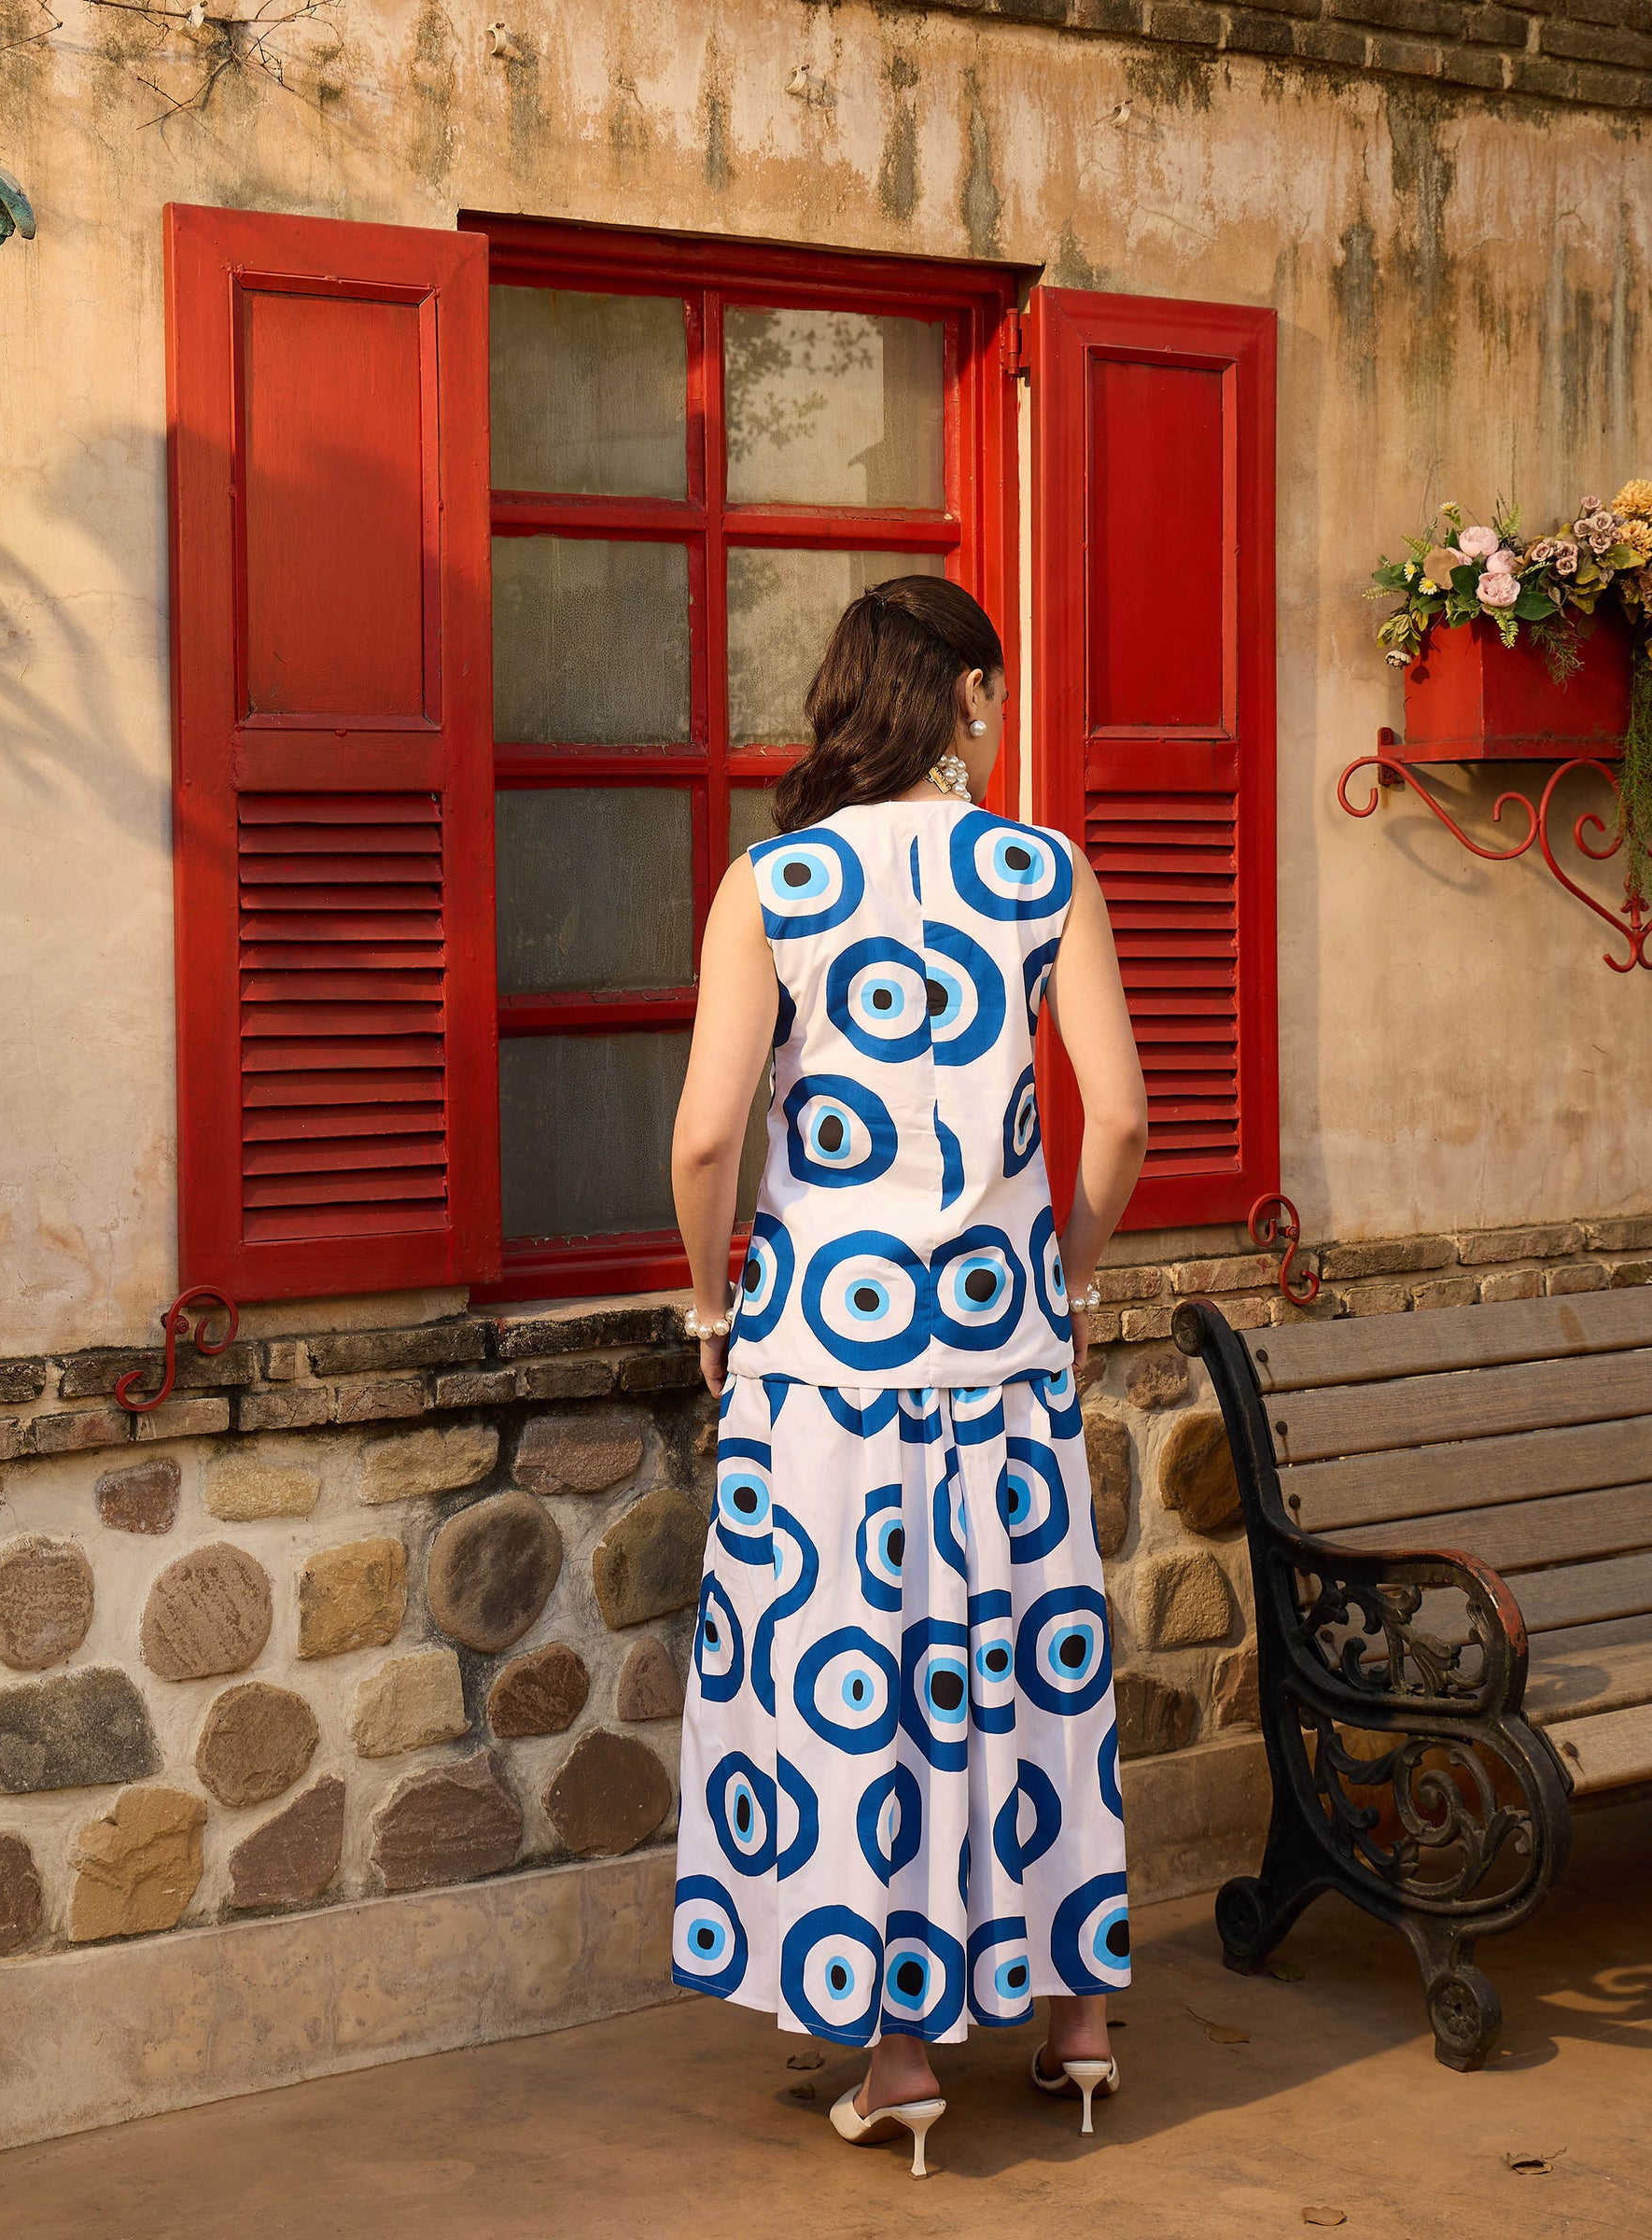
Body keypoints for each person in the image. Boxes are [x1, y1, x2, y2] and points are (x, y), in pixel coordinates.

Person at [667, 576, 1149, 2177]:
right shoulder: (1043, 869)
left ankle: (897, 2057)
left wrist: (708, 1300)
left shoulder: (772, 882)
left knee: (855, 1682)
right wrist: (1059, 1273)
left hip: (825, 1365)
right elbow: (1127, 1122)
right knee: (1025, 1671)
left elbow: (707, 1137)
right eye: (992, 694)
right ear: (965, 700)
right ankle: (1075, 2026)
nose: (999, 719)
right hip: (1003, 1352)